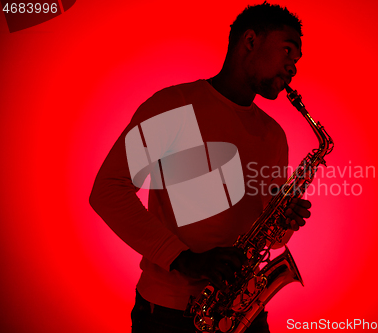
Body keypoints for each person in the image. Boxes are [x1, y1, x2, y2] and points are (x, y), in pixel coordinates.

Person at [89, 2, 311, 332]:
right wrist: (185, 259)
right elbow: (107, 190)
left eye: (296, 61)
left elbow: (271, 238)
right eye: (286, 51)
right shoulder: (172, 105)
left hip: (244, 312)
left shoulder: (274, 135)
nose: (291, 68)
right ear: (250, 41)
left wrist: (284, 222)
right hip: (170, 315)